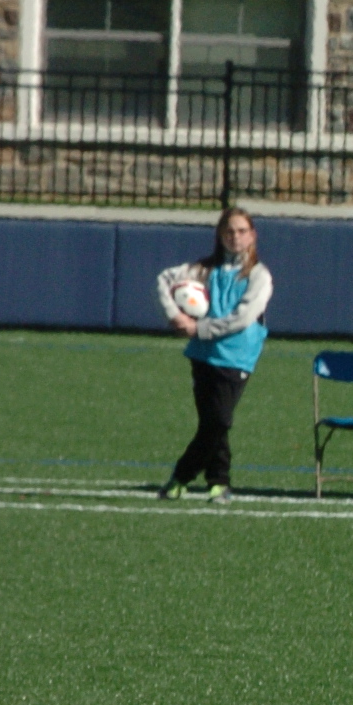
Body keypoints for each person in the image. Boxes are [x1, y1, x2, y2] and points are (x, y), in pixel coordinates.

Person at [155, 207, 272, 504]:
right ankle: (219, 483)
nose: (236, 237)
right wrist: (175, 316)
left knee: (219, 421)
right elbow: (164, 279)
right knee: (212, 422)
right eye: (229, 231)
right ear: (220, 236)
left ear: (252, 235)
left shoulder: (259, 276)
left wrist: (200, 328)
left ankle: (181, 476)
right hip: (203, 356)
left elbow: (242, 318)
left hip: (236, 357)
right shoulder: (204, 269)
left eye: (242, 231)